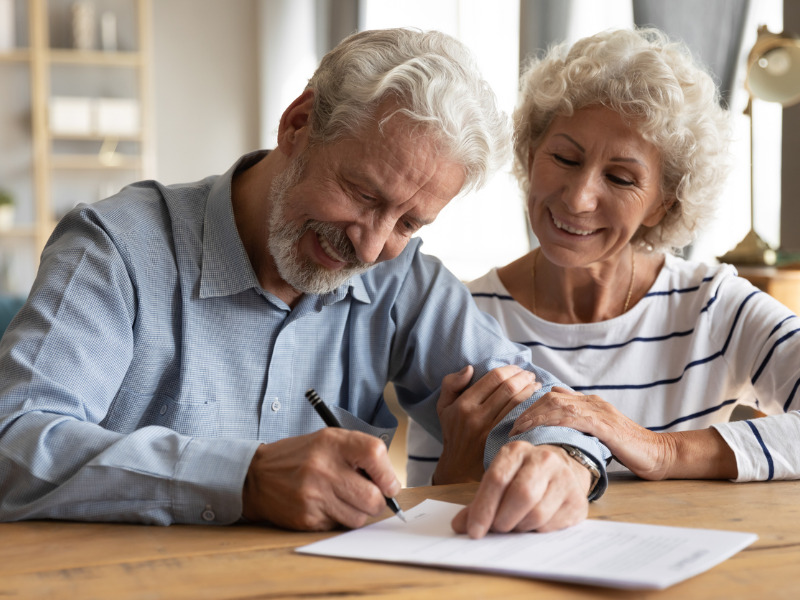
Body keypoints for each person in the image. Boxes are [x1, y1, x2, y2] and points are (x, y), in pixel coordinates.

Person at [0, 28, 611, 538]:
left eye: (408, 222)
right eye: (363, 194)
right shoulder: (118, 247)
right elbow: (15, 444)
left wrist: (565, 463)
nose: (371, 246)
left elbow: (546, 405)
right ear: (297, 124)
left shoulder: (401, 279)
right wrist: (246, 477)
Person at [407, 27, 800, 487]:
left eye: (620, 178)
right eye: (565, 159)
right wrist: (459, 467)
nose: (578, 199)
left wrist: (663, 450)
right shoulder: (460, 319)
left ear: (662, 204)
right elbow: (423, 517)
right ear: (531, 153)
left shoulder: (713, 306)